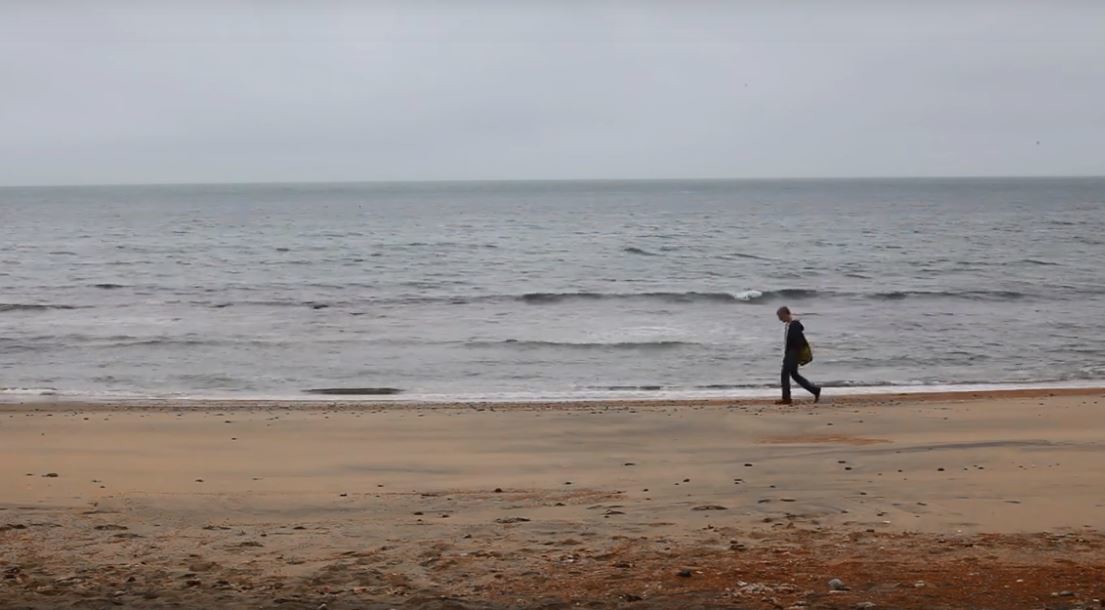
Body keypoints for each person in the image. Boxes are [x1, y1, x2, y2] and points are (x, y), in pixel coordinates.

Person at [775, 306, 821, 405]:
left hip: (792, 353)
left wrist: (793, 355)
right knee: (794, 375)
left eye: (780, 316)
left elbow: (799, 341)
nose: (779, 319)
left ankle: (786, 398)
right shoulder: (789, 325)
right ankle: (815, 390)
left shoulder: (794, 325)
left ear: (786, 314)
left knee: (785, 374)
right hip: (790, 353)